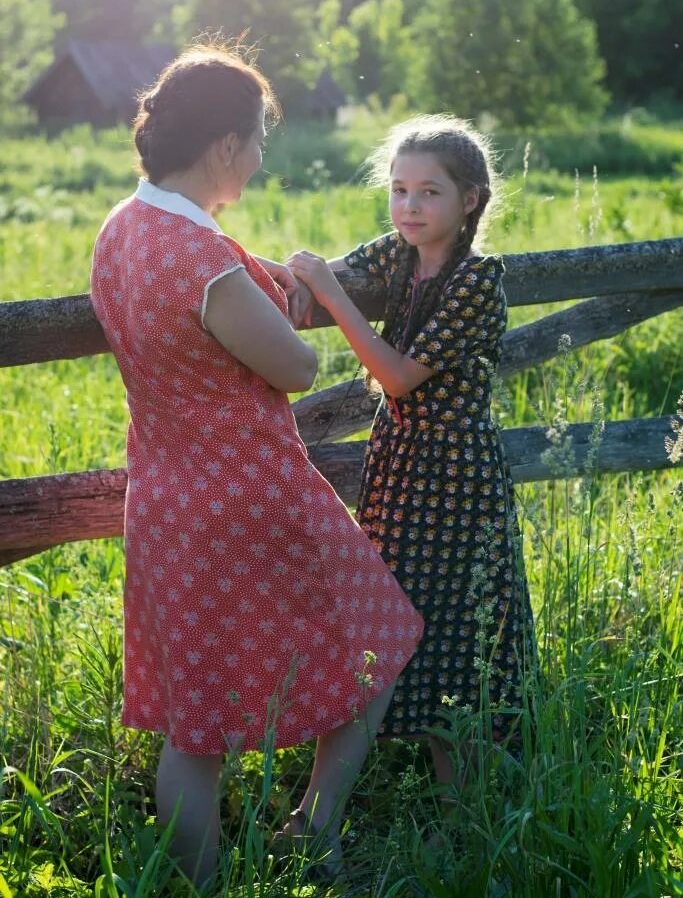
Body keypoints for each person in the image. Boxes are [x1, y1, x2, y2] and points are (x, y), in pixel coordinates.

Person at [89, 44, 424, 885]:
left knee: (192, 728)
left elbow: (196, 308)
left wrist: (250, 270)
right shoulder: (201, 260)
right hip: (251, 494)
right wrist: (256, 282)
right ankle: (313, 826)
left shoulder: (124, 229)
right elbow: (295, 368)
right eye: (258, 139)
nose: (262, 155)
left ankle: (203, 887)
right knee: (377, 640)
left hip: (165, 500)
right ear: (226, 149)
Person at [287, 114, 535, 789]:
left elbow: (396, 378)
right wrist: (278, 277)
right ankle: (395, 795)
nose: (408, 206)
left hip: (456, 475)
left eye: (429, 192)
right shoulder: (395, 255)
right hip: (398, 467)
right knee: (388, 617)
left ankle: (464, 803)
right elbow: (322, 275)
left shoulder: (477, 282)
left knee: (455, 623)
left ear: (469, 200)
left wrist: (331, 294)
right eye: (398, 190)